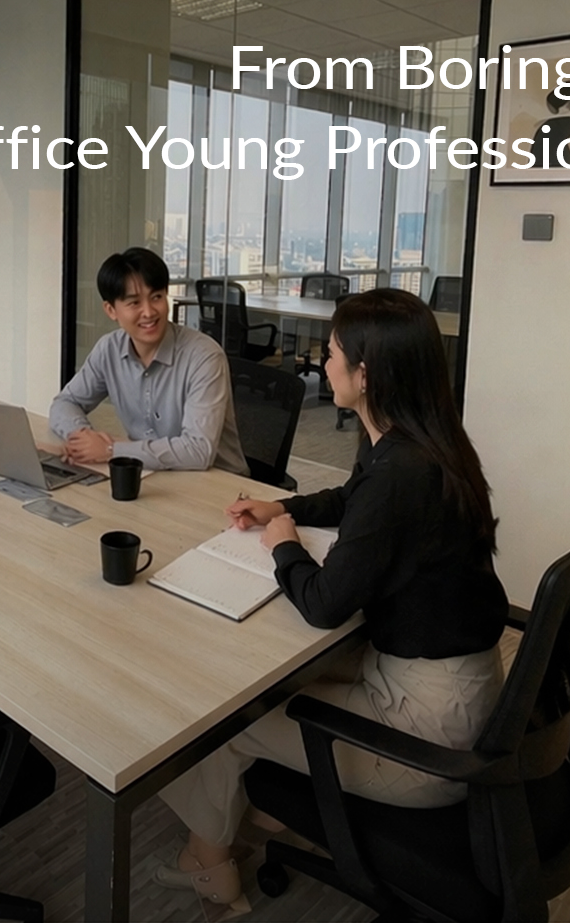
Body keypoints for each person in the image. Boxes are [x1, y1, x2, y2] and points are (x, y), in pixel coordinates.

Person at [154, 287, 509, 913]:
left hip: (428, 735)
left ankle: (208, 866)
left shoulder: (403, 471)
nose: (324, 362)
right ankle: (270, 816)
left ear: (365, 375)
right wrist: (284, 506)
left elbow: (323, 604)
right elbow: (353, 499)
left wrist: (282, 543)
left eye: (334, 353)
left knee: (221, 722)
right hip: (447, 682)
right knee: (279, 685)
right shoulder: (421, 442)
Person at [49, 247, 247, 474]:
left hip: (218, 486)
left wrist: (111, 450)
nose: (149, 312)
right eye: (134, 303)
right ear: (111, 310)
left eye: (156, 297)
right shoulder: (109, 349)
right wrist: (82, 438)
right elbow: (65, 402)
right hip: (150, 476)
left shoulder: (204, 357)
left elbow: (198, 450)